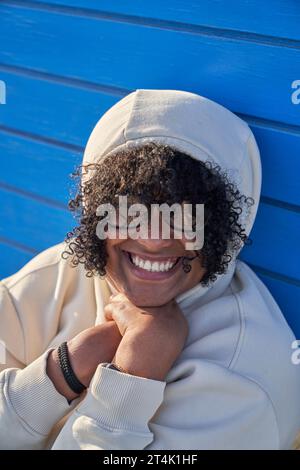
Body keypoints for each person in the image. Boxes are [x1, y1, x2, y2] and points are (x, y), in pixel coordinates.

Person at [0, 89, 299, 450]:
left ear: (226, 227)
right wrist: (65, 370)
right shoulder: (54, 275)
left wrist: (130, 381)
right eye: (130, 209)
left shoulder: (244, 380)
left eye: (186, 214)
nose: (154, 240)